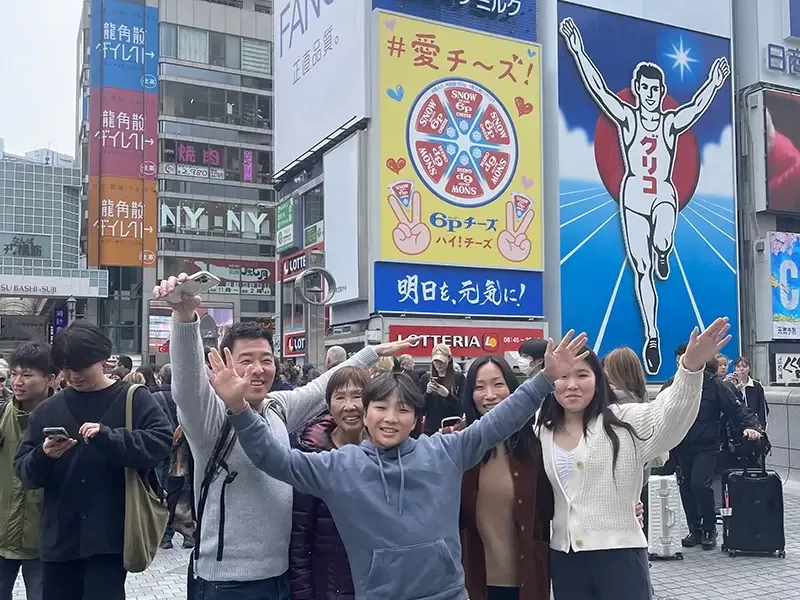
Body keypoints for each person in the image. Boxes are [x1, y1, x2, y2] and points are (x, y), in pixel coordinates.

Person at [208, 331, 588, 599]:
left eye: (403, 409)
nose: (391, 418)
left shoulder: (445, 452)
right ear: (365, 413)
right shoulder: (337, 467)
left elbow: (498, 422)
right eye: (381, 407)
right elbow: (274, 459)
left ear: (416, 418)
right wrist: (239, 409)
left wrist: (544, 380)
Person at [152, 273, 415, 599]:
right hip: (228, 584)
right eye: (246, 361)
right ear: (225, 364)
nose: (258, 369)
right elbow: (187, 383)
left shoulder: (277, 407)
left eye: (266, 360)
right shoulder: (210, 417)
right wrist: (184, 317)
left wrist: (369, 353)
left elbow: (321, 389)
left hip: (281, 576)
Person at [560, 17, 730, 375]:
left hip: (663, 192)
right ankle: (652, 335)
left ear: (660, 90)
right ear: (637, 90)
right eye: (645, 88)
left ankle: (664, 248)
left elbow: (695, 109)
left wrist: (714, 84)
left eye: (656, 89)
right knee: (642, 268)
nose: (651, 95)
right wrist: (577, 49)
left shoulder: (669, 123)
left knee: (664, 237)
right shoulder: (628, 118)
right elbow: (599, 90)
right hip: (634, 193)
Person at [538, 319, 731, 599]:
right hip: (564, 559)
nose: (572, 385)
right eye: (563, 377)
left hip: (620, 556)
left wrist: (690, 368)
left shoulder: (624, 421)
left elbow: (669, 416)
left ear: (599, 380)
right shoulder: (540, 431)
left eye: (582, 375)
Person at [13, 322, 172, 600]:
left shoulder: (133, 398)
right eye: (66, 369)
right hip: (59, 539)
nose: (73, 376)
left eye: (81, 368)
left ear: (103, 359)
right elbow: (25, 473)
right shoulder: (49, 409)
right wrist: (44, 455)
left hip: (109, 539)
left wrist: (110, 438)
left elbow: (160, 444)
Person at [457, 355, 553, 600]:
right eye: (480, 387)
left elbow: (553, 505)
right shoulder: (456, 445)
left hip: (525, 581)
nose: (490, 395)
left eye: (498, 384)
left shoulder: (535, 444)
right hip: (472, 582)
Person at [664, 353, 762, 550]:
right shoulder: (673, 383)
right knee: (686, 486)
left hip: (707, 444)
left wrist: (752, 427)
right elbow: (659, 410)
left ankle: (710, 528)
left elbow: (736, 409)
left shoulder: (715, 384)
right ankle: (695, 529)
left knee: (700, 484)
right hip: (681, 444)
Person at [289, 366, 370, 600]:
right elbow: (299, 540)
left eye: (358, 395)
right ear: (329, 405)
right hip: (328, 587)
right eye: (340, 397)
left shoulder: (386, 452)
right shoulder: (313, 456)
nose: (350, 405)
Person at [0, 343, 58, 600]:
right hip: (1, 535)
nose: (17, 382)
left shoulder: (65, 418)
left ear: (50, 379)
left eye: (26, 374)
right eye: (14, 374)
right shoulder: (2, 414)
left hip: (44, 540)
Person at [420, 344, 465, 436]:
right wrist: (427, 393)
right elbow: (420, 408)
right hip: (430, 431)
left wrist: (448, 396)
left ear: (449, 359)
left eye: (441, 361)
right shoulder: (425, 378)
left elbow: (462, 407)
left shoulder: (459, 378)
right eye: (435, 361)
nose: (438, 365)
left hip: (452, 429)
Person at [730, 357, 768, 429]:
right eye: (738, 367)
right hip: (735, 426)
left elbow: (762, 408)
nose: (741, 369)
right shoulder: (730, 385)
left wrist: (761, 426)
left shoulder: (756, 385)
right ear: (734, 369)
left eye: (744, 366)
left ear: (749, 369)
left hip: (753, 424)